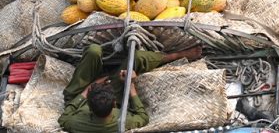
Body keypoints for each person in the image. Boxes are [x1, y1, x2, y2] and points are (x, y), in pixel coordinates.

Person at [59, 44, 202, 133]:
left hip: (80, 95)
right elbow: (143, 117)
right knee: (138, 58)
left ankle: (97, 72)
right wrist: (130, 83)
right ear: (115, 103)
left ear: (89, 106)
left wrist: (87, 89)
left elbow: (63, 118)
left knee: (93, 50)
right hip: (95, 93)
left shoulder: (75, 123)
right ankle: (175, 55)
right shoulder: (121, 121)